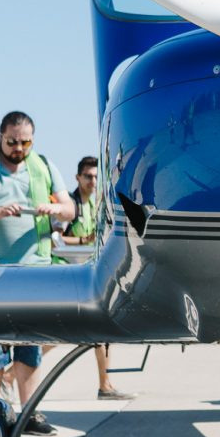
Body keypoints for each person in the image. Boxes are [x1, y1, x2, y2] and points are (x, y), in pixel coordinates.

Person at [0, 111, 75, 436]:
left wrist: (55, 209)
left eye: (25, 142)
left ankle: (29, 413)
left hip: (34, 274)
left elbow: (70, 208)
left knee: (30, 347)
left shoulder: (44, 166)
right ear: (0, 136)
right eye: (12, 142)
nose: (19, 148)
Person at [62, 156, 133, 400]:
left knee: (99, 334)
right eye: (88, 176)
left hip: (89, 274)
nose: (92, 181)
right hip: (70, 276)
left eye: (95, 176)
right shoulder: (70, 205)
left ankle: (106, 384)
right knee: (67, 333)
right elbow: (57, 238)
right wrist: (85, 240)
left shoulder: (94, 204)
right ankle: (105, 385)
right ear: (78, 178)